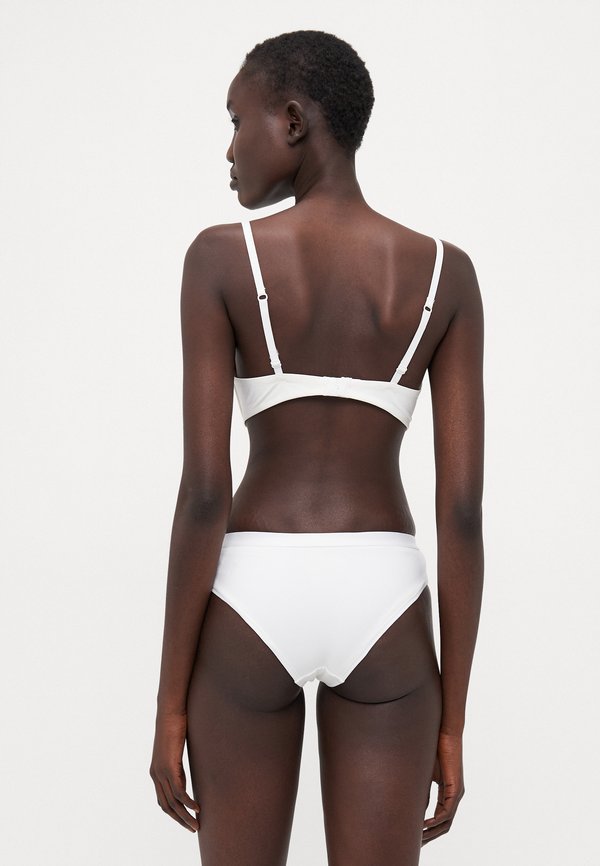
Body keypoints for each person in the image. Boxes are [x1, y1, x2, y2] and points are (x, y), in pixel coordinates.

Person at [149, 29, 484, 866]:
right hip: (386, 596)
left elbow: (204, 492)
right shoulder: (446, 273)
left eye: (238, 120)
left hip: (252, 592)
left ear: (293, 121)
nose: (229, 148)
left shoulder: (219, 259)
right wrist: (452, 724)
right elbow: (462, 513)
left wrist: (169, 706)